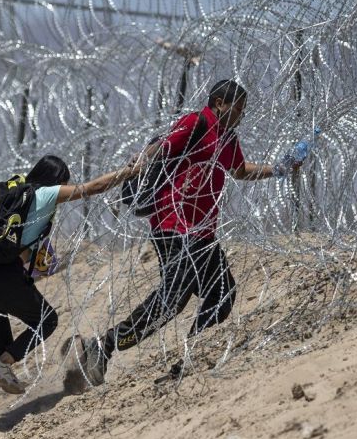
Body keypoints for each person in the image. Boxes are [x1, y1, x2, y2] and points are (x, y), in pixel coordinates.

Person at [79, 79, 287, 385]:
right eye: (237, 107)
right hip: (174, 225)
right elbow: (160, 147)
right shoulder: (196, 122)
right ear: (219, 103)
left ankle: (191, 356)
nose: (241, 113)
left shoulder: (227, 136)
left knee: (222, 294)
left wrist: (279, 169)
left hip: (202, 231)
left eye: (244, 108)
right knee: (173, 299)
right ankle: (104, 346)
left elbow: (240, 171)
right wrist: (135, 168)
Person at [0, 155, 139, 432]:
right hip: (1, 276)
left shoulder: (13, 195)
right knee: (47, 320)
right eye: (65, 184)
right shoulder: (44, 193)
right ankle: (4, 364)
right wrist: (131, 171)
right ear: (58, 180)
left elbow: (20, 251)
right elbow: (92, 188)